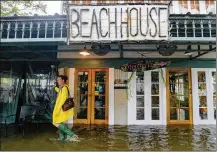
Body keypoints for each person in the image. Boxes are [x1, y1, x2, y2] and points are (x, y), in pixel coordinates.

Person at [52, 75, 79, 142]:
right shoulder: (64, 88)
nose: (57, 81)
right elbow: (59, 92)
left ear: (63, 80)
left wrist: (58, 109)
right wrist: (55, 88)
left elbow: (63, 100)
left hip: (60, 108)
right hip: (61, 108)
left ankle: (72, 134)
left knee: (55, 122)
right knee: (59, 122)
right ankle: (62, 137)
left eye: (58, 80)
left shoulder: (64, 88)